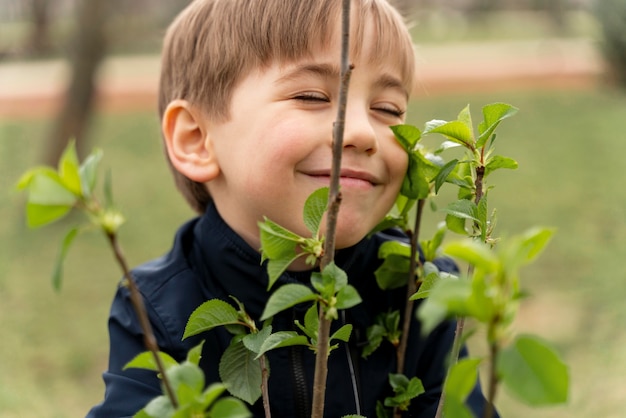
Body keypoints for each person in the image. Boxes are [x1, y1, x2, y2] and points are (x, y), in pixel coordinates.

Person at [87, 0, 495, 417]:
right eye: (312, 96)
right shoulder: (158, 310)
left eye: (387, 109)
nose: (362, 131)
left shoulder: (420, 290)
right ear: (196, 139)